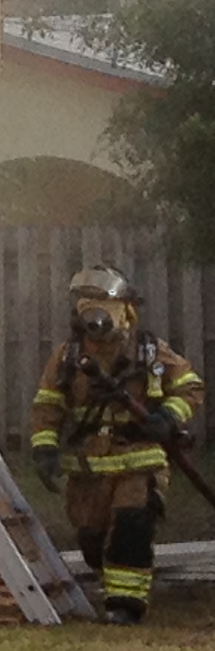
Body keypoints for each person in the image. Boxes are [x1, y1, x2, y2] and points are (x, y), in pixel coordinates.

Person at [29, 265, 202, 626]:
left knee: (132, 526)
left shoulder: (150, 351)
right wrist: (44, 448)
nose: (95, 313)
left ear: (126, 311)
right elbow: (48, 404)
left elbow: (189, 386)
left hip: (139, 460)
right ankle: (113, 588)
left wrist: (167, 418)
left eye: (104, 304)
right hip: (88, 467)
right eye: (86, 305)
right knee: (91, 537)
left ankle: (126, 606)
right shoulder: (67, 357)